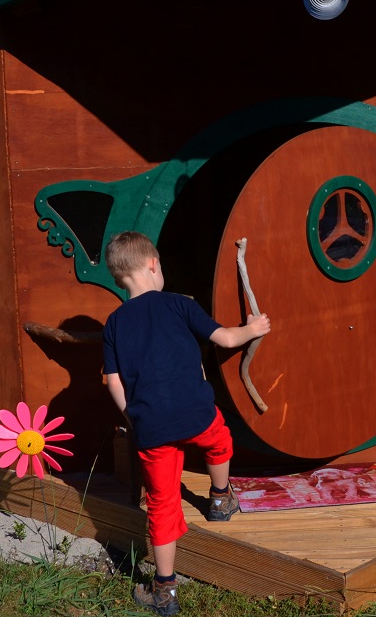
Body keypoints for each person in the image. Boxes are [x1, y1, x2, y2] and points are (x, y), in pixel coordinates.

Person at [102, 231, 270, 615]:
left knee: (162, 505)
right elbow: (226, 339)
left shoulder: (114, 323)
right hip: (197, 412)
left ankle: (165, 590)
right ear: (153, 265)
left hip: (152, 428)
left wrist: (134, 416)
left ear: (118, 278)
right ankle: (220, 497)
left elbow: (113, 381)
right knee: (219, 440)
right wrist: (254, 328)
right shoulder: (179, 304)